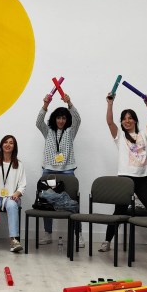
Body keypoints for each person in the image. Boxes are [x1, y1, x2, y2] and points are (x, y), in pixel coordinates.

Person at [100, 92, 147, 257]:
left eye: (130, 118)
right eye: (124, 119)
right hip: (125, 180)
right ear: (121, 122)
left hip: (142, 179)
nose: (127, 121)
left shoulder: (143, 135)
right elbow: (109, 122)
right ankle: (107, 241)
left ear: (135, 120)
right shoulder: (119, 137)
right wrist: (110, 104)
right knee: (119, 213)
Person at [36, 91, 82, 246]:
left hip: (67, 170)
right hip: (49, 170)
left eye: (63, 118)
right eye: (58, 118)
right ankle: (48, 233)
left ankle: (78, 234)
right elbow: (38, 122)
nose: (61, 121)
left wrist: (69, 103)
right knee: (46, 201)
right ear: (54, 119)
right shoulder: (48, 131)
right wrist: (46, 104)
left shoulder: (70, 132)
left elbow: (77, 119)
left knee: (73, 201)